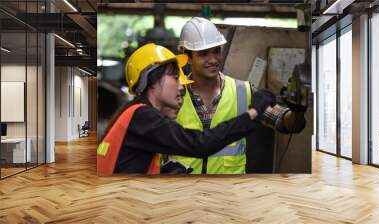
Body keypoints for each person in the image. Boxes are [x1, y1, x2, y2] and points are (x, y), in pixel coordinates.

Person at [97, 43, 276, 175]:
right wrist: (253, 113)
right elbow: (201, 144)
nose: (181, 86)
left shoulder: (136, 114)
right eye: (175, 77)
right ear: (150, 80)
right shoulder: (143, 117)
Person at [166, 17, 306, 174]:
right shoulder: (173, 94)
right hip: (183, 191)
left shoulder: (243, 91)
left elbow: (284, 122)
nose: (213, 59)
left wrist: (297, 108)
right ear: (187, 57)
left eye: (216, 51)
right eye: (203, 54)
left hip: (230, 193)